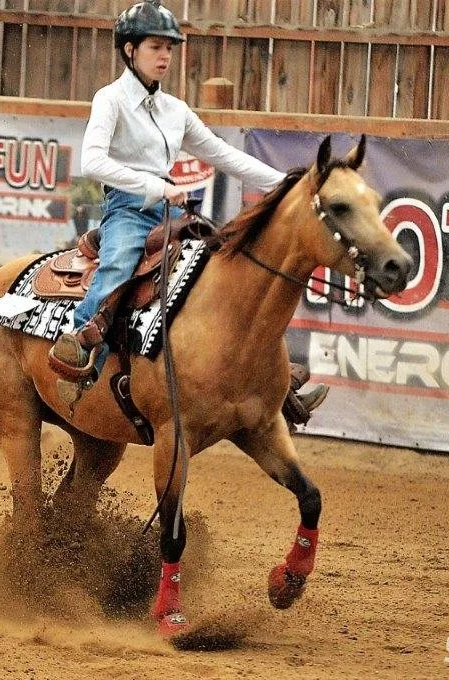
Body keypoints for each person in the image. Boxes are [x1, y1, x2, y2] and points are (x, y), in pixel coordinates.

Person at [47, 0, 326, 421]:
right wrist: (154, 185)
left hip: (168, 215)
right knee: (120, 262)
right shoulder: (110, 100)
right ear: (129, 50)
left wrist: (290, 185)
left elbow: (222, 154)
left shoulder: (175, 110)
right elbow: (93, 162)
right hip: (127, 208)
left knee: (222, 274)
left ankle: (274, 387)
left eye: (169, 48)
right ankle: (80, 343)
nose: (165, 57)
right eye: (156, 47)